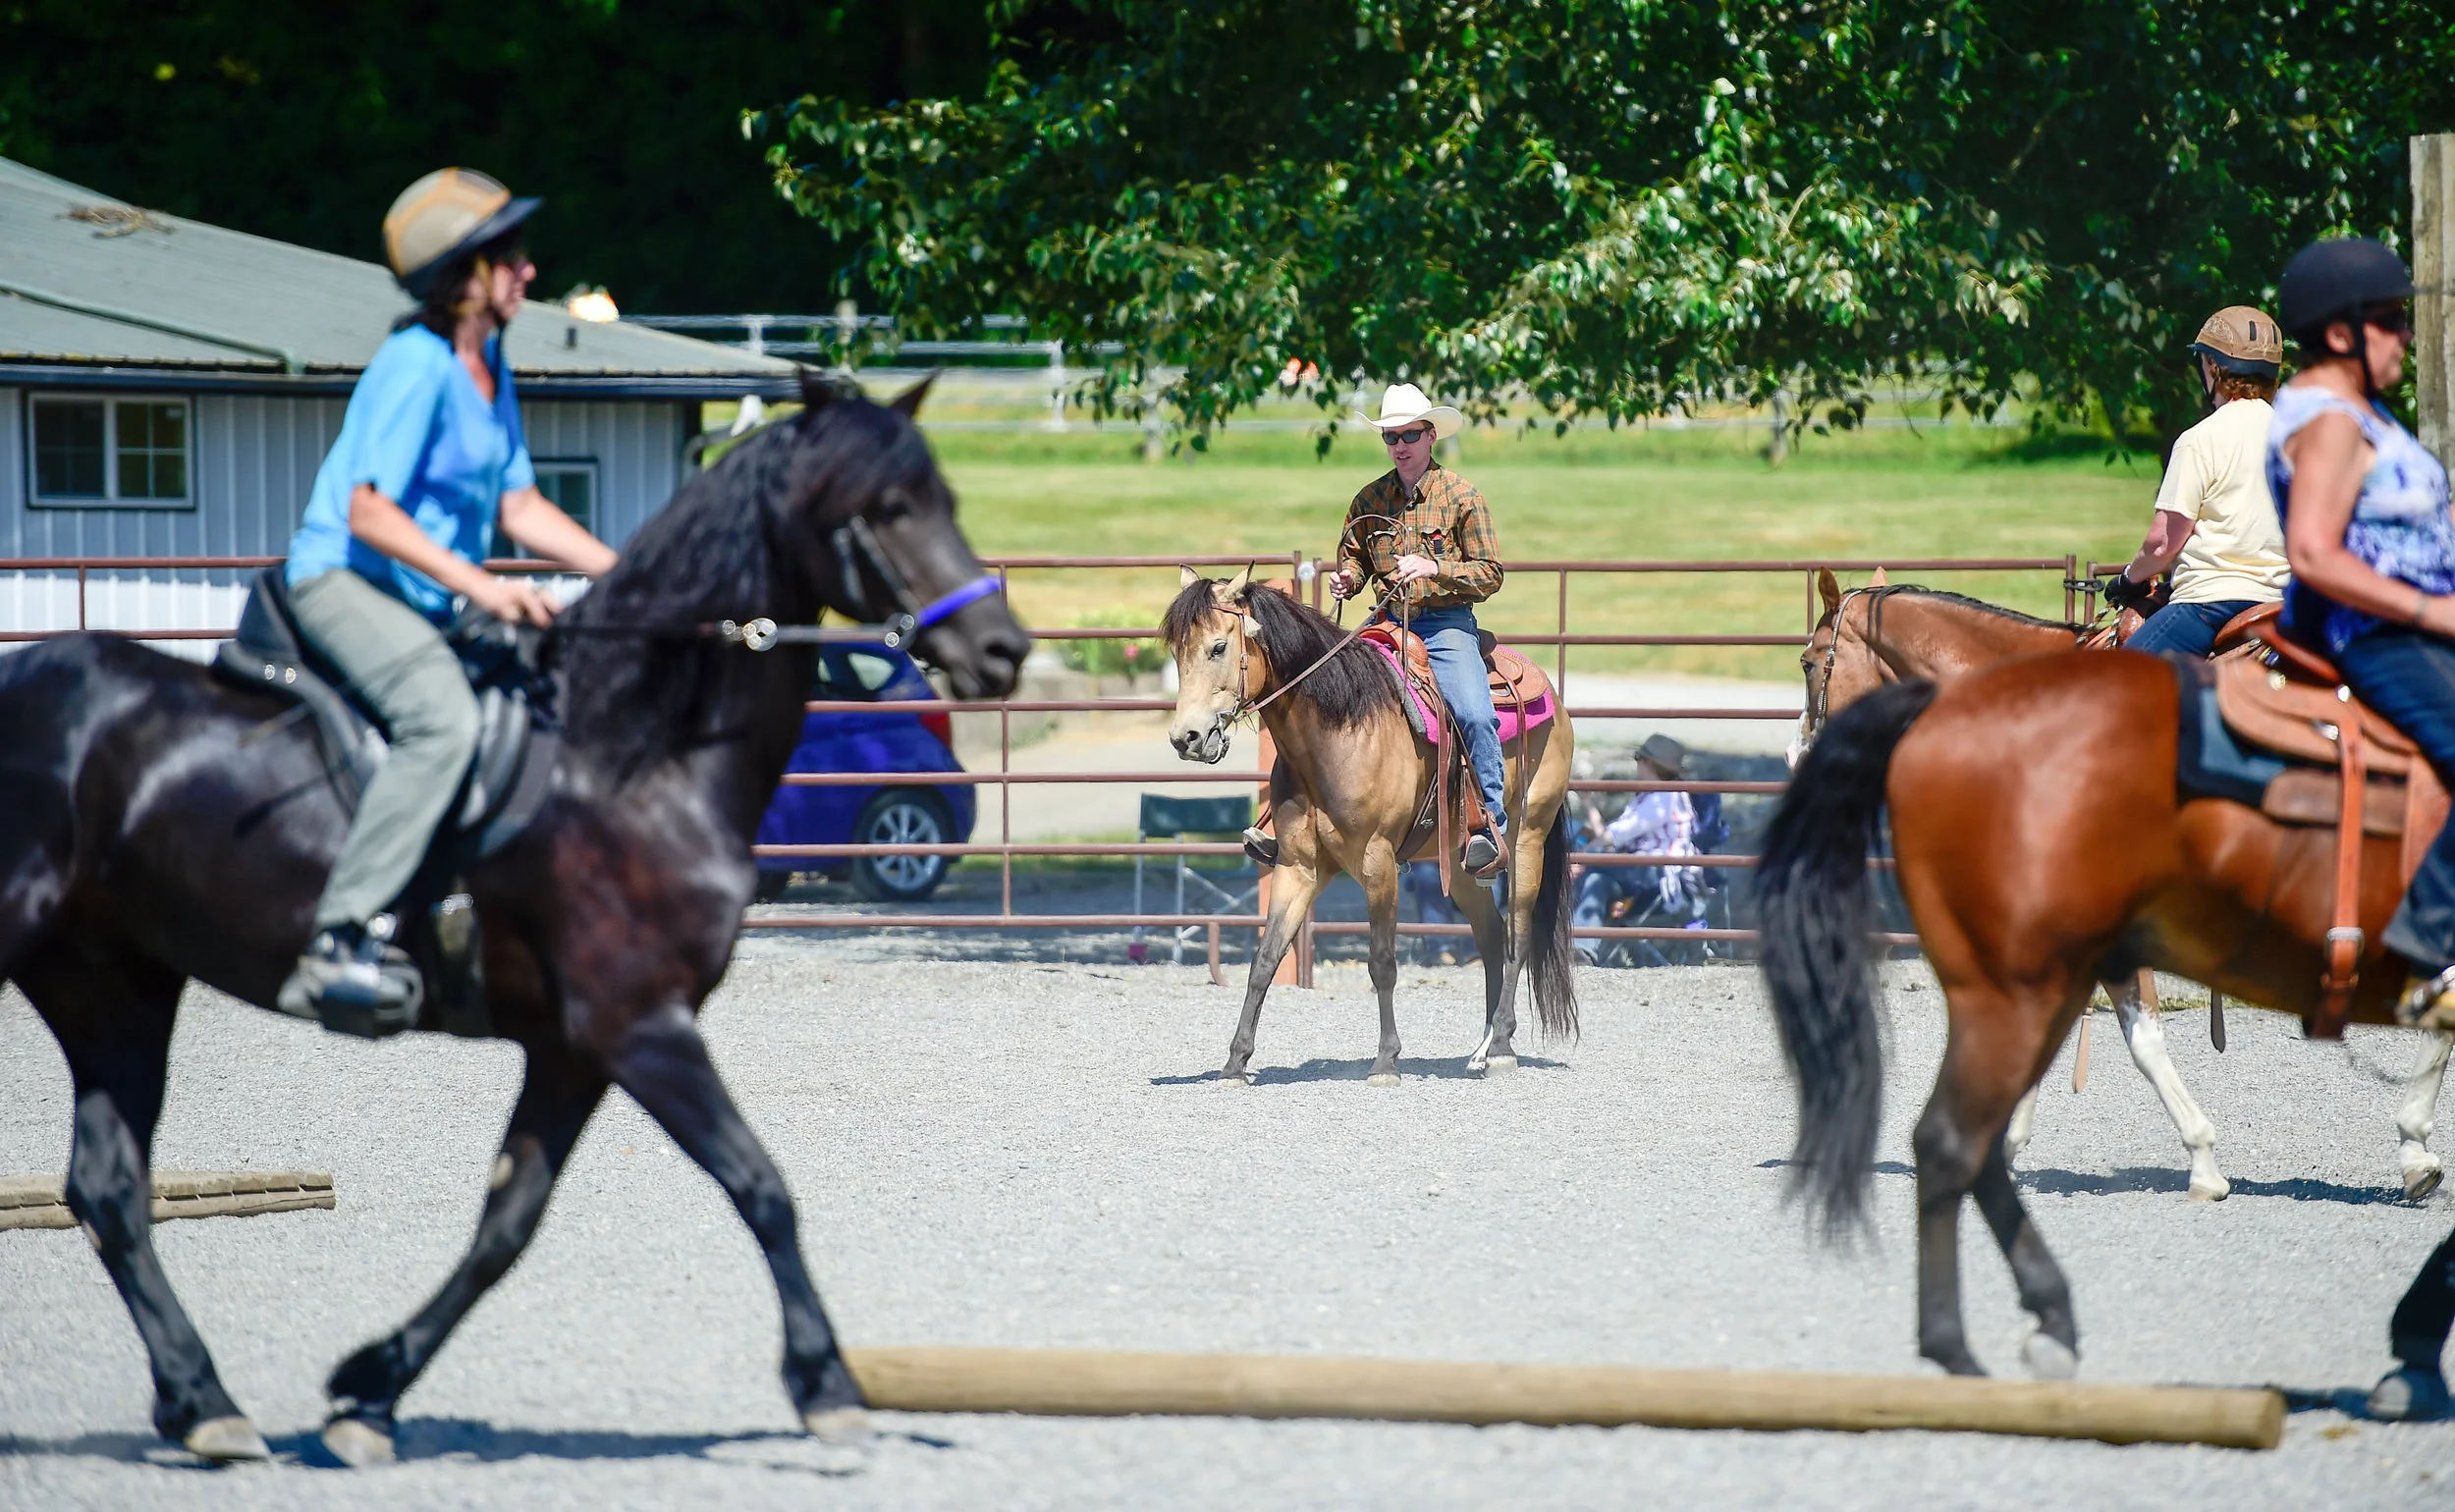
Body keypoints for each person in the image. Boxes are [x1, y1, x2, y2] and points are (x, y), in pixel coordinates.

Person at [275, 168, 617, 1026]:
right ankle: (339, 939)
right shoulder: (416, 366)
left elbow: (519, 506)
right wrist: (486, 590)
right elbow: (367, 509)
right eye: (510, 257)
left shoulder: (489, 363)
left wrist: (625, 572)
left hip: (426, 597)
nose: (529, 272)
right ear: (464, 275)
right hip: (342, 579)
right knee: (444, 723)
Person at [2262, 236, 2455, 1422]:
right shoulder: (2326, 418)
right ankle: (2432, 949)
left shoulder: (2369, 416)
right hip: (2373, 641)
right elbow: (2315, 555)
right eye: (2388, 318)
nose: (2400, 334)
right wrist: (2438, 608)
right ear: (2341, 329)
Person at [1326, 383, 1510, 874]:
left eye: (1409, 434)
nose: (1400, 445)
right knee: (1326, 697)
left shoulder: (1462, 496)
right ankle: (1308, 819)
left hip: (1447, 624)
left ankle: (1490, 824)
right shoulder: (1370, 498)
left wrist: (1434, 570)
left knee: (1472, 712)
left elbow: (1490, 573)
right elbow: (1355, 556)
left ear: (1431, 436)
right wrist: (1348, 578)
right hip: (1388, 623)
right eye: (1391, 437)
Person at [2104, 306, 2288, 656]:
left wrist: (2129, 579)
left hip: (2210, 605)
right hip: (2285, 605)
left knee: (2116, 683)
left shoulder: (2200, 439)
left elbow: (2162, 543)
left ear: (2215, 368)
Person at [1571, 734, 1708, 966]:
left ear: (1650, 765)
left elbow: (1611, 837)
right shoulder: (1650, 797)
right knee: (1597, 881)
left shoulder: (1664, 799)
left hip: (1660, 875)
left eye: (1639, 758)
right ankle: (1581, 951)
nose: (1637, 764)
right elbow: (1610, 839)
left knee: (1588, 862)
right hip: (1639, 872)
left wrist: (1580, 858)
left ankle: (1546, 932)